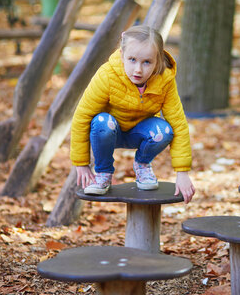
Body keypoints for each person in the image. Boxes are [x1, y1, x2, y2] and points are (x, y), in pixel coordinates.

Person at [71, 25, 195, 203]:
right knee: (102, 121)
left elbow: (178, 123)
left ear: (157, 61)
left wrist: (182, 172)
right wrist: (81, 163)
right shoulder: (107, 76)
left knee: (165, 130)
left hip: (141, 133)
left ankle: (142, 164)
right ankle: (104, 173)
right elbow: (82, 116)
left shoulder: (164, 81)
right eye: (132, 59)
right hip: (108, 132)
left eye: (147, 62)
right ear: (122, 55)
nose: (138, 69)